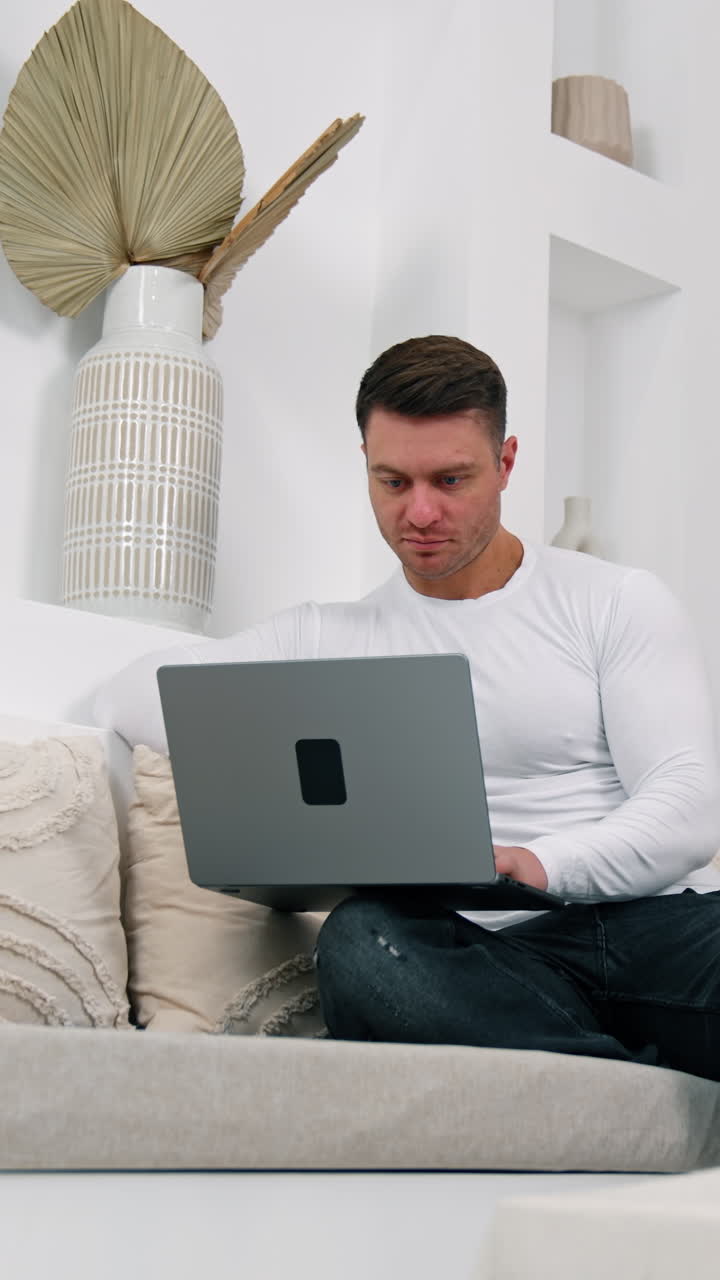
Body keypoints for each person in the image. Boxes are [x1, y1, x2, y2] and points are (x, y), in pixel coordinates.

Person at [96, 334, 720, 1080]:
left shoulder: (614, 601)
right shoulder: (327, 636)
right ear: (364, 463)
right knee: (360, 943)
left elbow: (688, 805)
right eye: (392, 482)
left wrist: (536, 863)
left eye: (450, 480)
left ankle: (573, 1081)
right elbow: (131, 694)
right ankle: (622, 1091)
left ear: (506, 463)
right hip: (460, 954)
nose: (419, 513)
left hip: (644, 929)